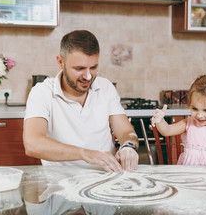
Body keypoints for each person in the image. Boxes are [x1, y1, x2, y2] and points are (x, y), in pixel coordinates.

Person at [23, 30, 139, 173]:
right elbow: (32, 144)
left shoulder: (106, 87)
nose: (88, 76)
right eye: (79, 68)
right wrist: (86, 154)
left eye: (93, 67)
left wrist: (129, 146)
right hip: (59, 183)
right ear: (60, 62)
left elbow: (126, 131)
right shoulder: (42, 92)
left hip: (104, 179)